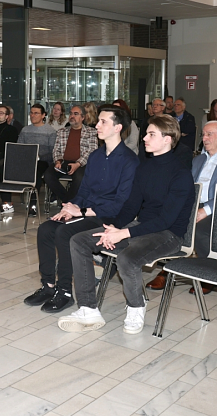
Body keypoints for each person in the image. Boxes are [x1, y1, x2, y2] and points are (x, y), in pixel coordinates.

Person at [59, 115, 193, 335]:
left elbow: (166, 220)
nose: (144, 139)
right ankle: (88, 308)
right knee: (79, 241)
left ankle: (136, 307)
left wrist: (124, 233)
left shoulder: (181, 174)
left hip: (169, 234)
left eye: (151, 135)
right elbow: (130, 208)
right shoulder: (145, 168)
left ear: (167, 139)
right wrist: (113, 228)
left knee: (127, 258)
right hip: (141, 226)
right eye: (146, 134)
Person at [24, 106, 138, 313]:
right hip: (87, 211)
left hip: (107, 217)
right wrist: (72, 207)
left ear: (118, 128)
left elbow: (119, 204)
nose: (97, 125)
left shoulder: (129, 160)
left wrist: (83, 212)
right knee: (45, 229)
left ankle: (65, 291)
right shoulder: (96, 156)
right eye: (98, 121)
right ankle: (48, 286)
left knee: (64, 232)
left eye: (103, 122)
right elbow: (83, 190)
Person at [155, 121, 217, 293]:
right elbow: (186, 186)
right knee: (165, 222)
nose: (204, 138)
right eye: (203, 134)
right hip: (193, 204)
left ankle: (210, 272)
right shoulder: (198, 160)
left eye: (209, 134)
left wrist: (206, 210)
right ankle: (167, 267)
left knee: (198, 229)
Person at [44, 105, 98, 205]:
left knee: (80, 178)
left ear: (83, 117)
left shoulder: (91, 132)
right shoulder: (62, 131)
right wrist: (58, 161)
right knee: (48, 175)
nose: (72, 116)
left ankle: (67, 203)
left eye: (76, 114)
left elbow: (92, 150)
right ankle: (68, 202)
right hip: (63, 162)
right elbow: (56, 150)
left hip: (82, 164)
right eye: (71, 114)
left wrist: (78, 164)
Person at [18, 104, 58, 213]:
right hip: (26, 160)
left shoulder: (50, 131)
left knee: (36, 171)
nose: (33, 115)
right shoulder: (25, 130)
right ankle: (6, 203)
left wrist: (39, 157)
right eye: (31, 113)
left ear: (43, 115)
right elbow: (19, 147)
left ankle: (33, 204)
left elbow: (53, 152)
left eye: (36, 113)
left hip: (43, 161)